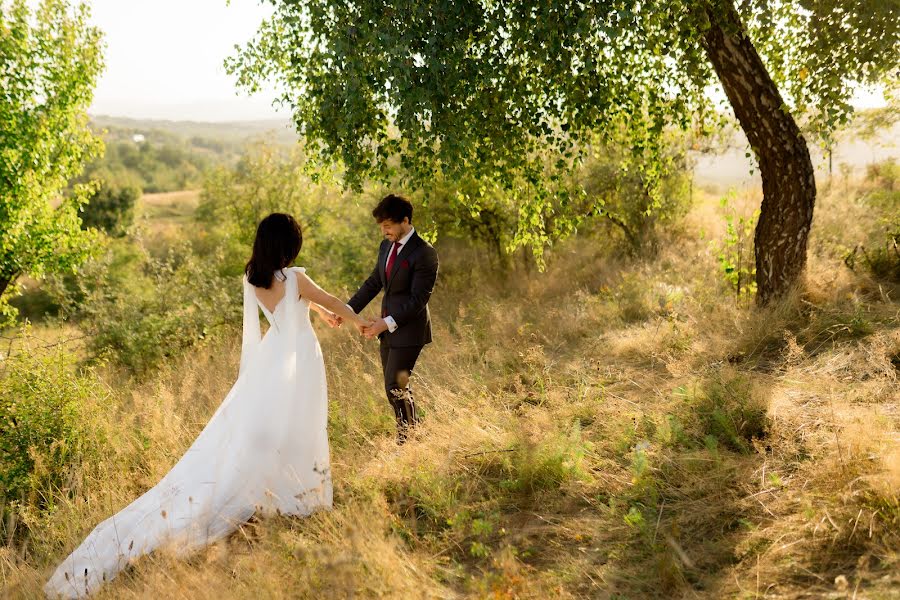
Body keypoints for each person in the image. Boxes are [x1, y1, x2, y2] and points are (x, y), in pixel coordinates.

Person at [44, 213, 366, 598]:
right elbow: (324, 298)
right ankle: (298, 495)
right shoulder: (296, 278)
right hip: (298, 361)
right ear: (288, 245)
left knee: (272, 428)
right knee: (302, 423)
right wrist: (358, 318)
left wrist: (321, 313)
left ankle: (281, 491)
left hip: (272, 360)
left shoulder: (253, 279)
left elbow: (300, 304)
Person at [347, 194, 440, 444]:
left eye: (388, 225)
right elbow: (374, 283)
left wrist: (384, 323)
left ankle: (406, 440)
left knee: (395, 387)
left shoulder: (425, 253)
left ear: (405, 221)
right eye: (381, 226)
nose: (384, 231)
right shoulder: (386, 246)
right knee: (395, 389)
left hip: (409, 330)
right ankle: (415, 432)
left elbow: (418, 300)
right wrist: (346, 309)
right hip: (387, 330)